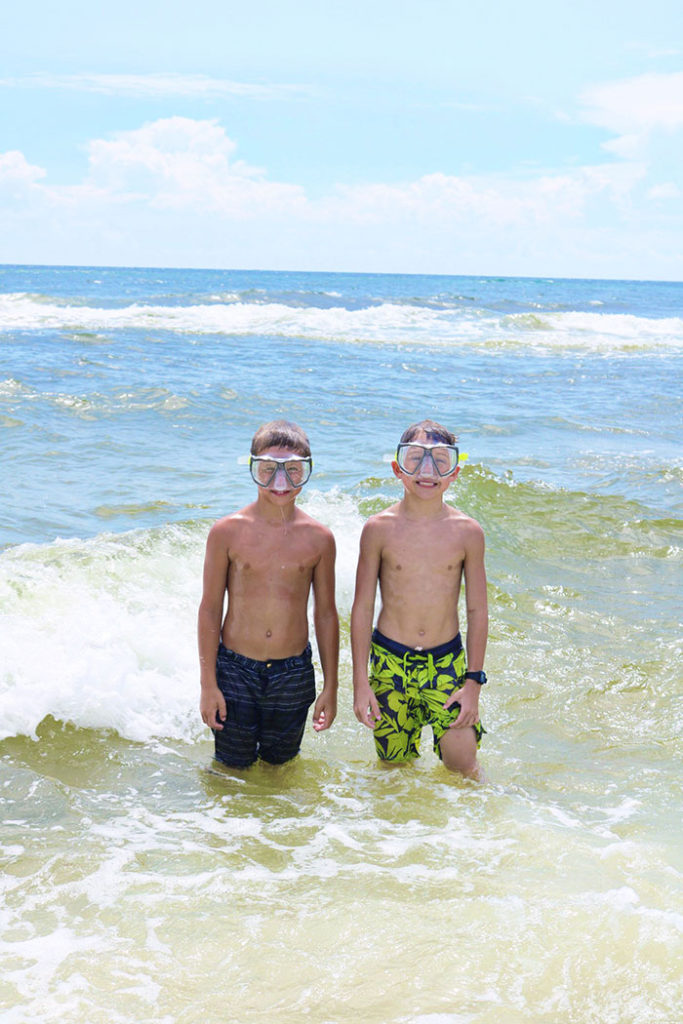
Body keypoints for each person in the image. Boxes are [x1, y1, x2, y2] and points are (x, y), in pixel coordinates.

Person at [351, 419, 488, 778]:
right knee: (394, 771)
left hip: (447, 667)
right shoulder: (378, 529)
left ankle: (481, 833)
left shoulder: (468, 532)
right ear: (398, 469)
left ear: (454, 472)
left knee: (464, 766)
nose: (427, 471)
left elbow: (477, 609)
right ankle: (401, 835)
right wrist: (360, 682)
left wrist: (473, 681)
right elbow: (362, 608)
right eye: (415, 460)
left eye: (440, 461)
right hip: (389, 666)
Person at [198, 420, 339, 768]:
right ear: (253, 469)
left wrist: (331, 687)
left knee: (281, 770)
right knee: (230, 769)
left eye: (293, 471)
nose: (281, 482)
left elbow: (325, 614)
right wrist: (208, 684)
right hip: (234, 670)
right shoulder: (227, 532)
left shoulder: (319, 538)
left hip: (292, 673)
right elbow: (210, 609)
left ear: (307, 472)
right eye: (268, 470)